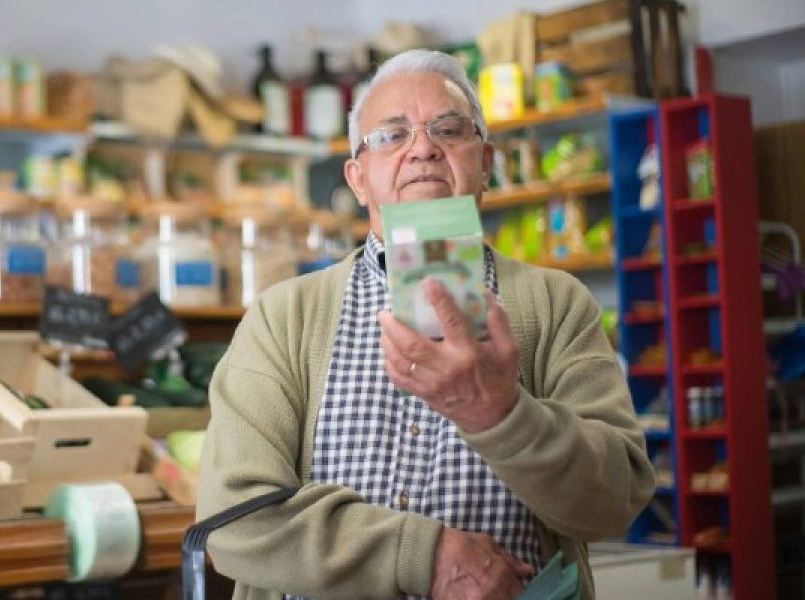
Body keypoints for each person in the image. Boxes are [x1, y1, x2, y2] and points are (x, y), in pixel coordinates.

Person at [196, 49, 655, 600]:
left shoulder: (556, 303)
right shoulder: (283, 317)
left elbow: (614, 503)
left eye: (448, 129)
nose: (423, 148)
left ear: (486, 164)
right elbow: (233, 522)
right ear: (357, 178)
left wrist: (501, 415)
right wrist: (425, 556)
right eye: (391, 135)